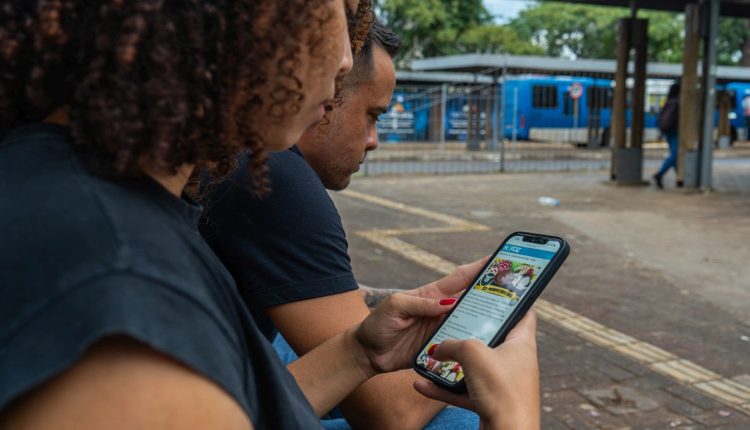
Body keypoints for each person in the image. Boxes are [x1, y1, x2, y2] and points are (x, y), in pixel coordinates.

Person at [0, 2, 541, 430]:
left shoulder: (74, 180)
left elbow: (242, 404)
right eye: (341, 10)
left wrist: (359, 352)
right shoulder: (128, 315)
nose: (346, 60)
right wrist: (515, 417)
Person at [200, 19, 478, 429]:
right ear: (324, 90)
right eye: (372, 115)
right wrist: (502, 380)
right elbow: (392, 412)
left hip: (214, 365)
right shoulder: (270, 170)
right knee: (458, 424)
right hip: (206, 397)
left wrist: (410, 301)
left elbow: (323, 296)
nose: (374, 139)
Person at [653, 83, 680, 189]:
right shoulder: (679, 102)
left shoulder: (668, 101)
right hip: (675, 131)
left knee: (674, 156)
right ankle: (660, 174)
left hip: (667, 131)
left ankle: (680, 177)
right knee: (674, 156)